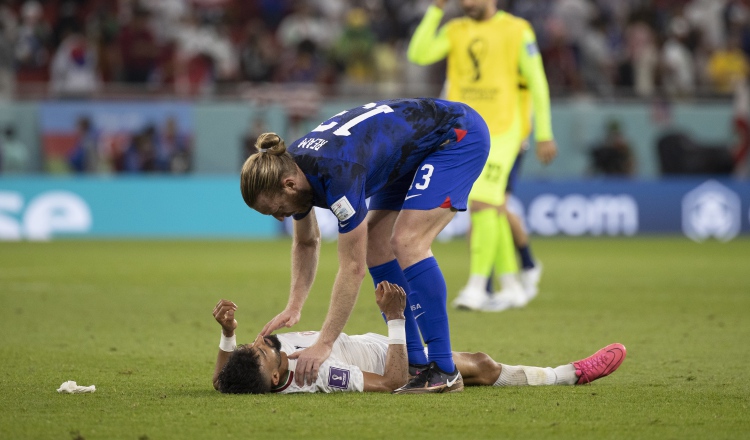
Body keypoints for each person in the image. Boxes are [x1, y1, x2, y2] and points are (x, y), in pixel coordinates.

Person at [239, 97, 490, 394]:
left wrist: (325, 344)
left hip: (455, 135)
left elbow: (353, 268)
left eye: (275, 209)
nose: (281, 216)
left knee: (408, 241)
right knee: (376, 246)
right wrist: (294, 305)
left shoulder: (337, 174)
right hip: (409, 152)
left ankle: (444, 370)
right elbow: (306, 241)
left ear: (289, 185)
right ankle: (416, 363)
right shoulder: (290, 167)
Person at [408, 0, 558, 312]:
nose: (466, 3)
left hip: (504, 129)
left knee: (482, 201)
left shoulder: (517, 30)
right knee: (494, 204)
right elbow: (418, 54)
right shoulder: (455, 29)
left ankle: (477, 287)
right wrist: (435, 10)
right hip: (464, 129)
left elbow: (538, 82)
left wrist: (544, 132)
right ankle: (511, 283)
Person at [211, 282, 627, 394]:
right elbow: (391, 382)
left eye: (254, 345)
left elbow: (220, 381)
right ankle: (570, 374)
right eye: (263, 354)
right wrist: (395, 320)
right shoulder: (319, 376)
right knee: (481, 365)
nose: (262, 343)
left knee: (471, 369)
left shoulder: (253, 367)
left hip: (374, 342)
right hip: (393, 357)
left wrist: (229, 337)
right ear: (275, 377)